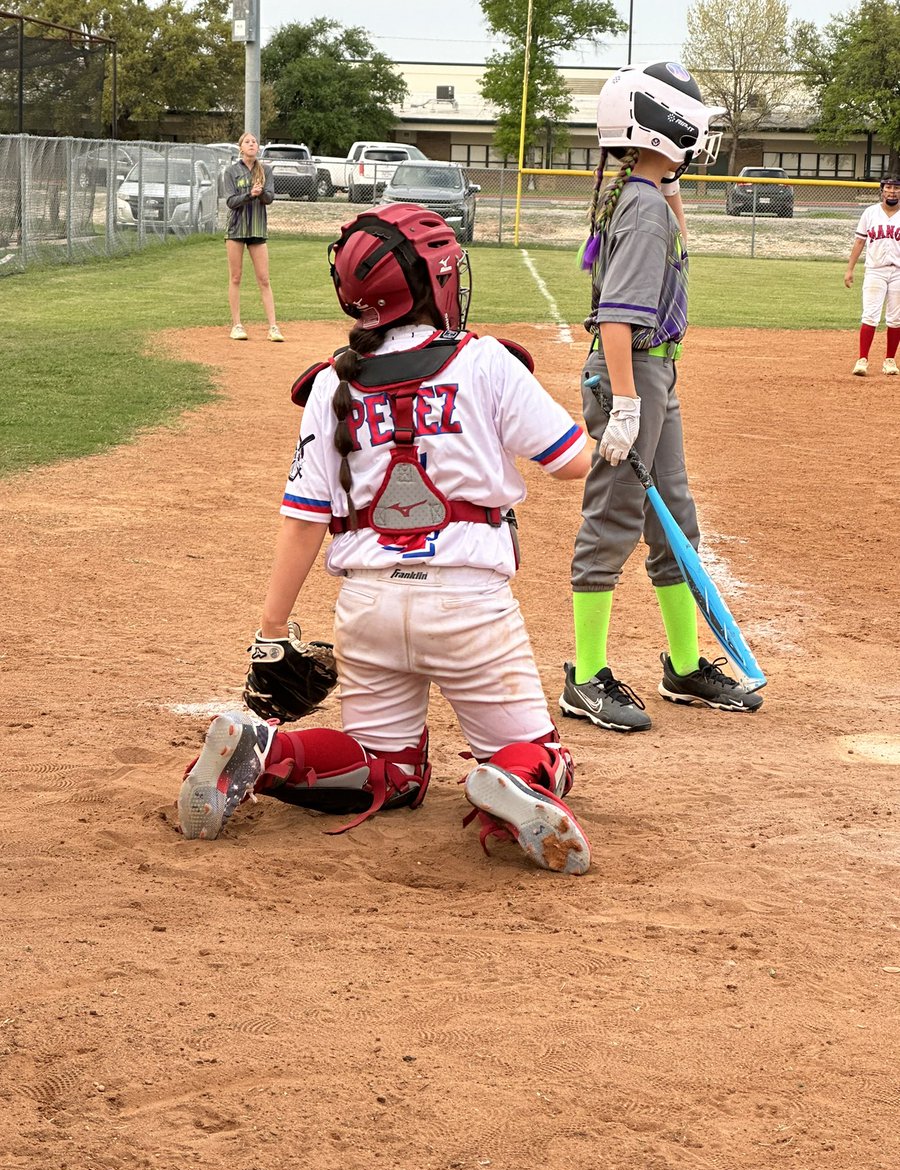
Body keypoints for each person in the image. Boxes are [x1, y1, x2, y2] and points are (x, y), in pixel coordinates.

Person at [178, 203, 595, 875]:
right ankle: (512, 780)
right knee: (542, 755)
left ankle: (265, 752)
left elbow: (304, 517)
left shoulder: (330, 384)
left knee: (387, 771)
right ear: (436, 283)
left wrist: (272, 627)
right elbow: (571, 460)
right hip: (468, 606)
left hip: (367, 607)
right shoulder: (484, 361)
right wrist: (616, 440)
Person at [559, 61, 764, 735]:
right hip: (633, 373)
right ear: (665, 126)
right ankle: (585, 676)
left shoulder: (645, 194)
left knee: (675, 519)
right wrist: (626, 404)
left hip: (654, 375)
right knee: (614, 516)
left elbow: (677, 246)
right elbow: (616, 318)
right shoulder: (643, 206)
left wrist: (671, 192)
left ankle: (683, 665)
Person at [223, 131, 284, 343]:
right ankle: (237, 325)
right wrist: (250, 195)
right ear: (240, 147)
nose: (252, 144)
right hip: (236, 229)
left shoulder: (264, 170)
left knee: (264, 279)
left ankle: (273, 327)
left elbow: (270, 198)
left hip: (257, 229)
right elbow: (231, 201)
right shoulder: (231, 171)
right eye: (247, 142)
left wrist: (261, 193)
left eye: (254, 142)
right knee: (236, 277)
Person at [844, 176, 900, 377]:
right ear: (882, 191)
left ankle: (890, 361)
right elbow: (859, 242)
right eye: (888, 188)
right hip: (875, 270)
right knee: (870, 315)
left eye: (896, 188)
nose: (892, 192)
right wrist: (850, 269)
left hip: (898, 272)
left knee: (895, 318)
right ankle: (862, 359)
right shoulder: (870, 213)